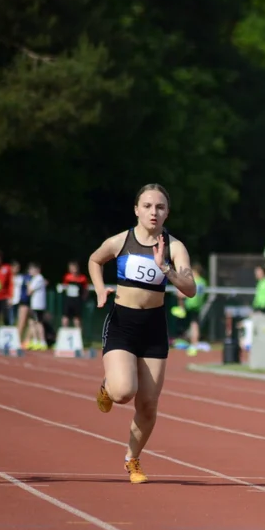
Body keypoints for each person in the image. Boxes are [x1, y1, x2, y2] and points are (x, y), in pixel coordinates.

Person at [88, 184, 197, 484]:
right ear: (136, 209)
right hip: (123, 323)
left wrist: (166, 269)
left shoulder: (174, 247)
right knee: (123, 392)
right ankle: (107, 387)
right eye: (147, 206)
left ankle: (132, 459)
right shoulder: (121, 240)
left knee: (148, 403)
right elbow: (95, 260)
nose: (153, 212)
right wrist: (100, 289)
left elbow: (190, 289)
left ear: (167, 213)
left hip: (153, 328)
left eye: (160, 207)